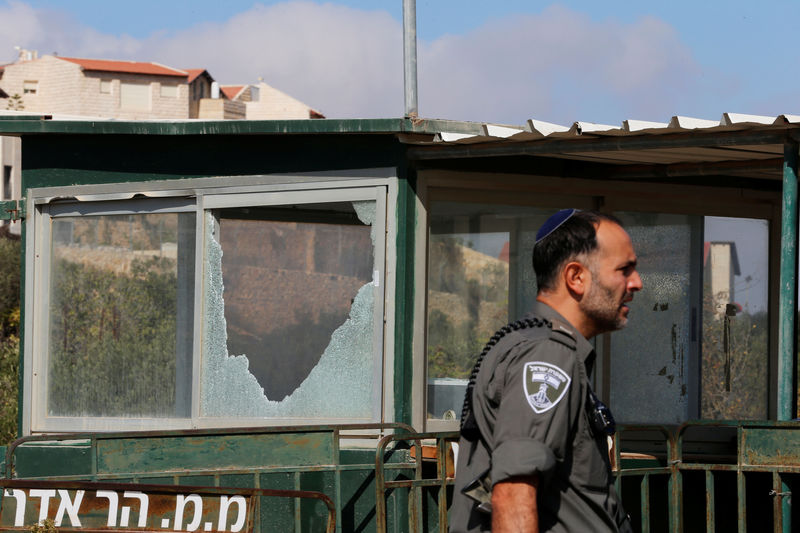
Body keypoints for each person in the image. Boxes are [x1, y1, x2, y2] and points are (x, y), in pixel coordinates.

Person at [449, 209, 642, 533]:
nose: (636, 282)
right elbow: (513, 494)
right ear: (576, 277)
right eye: (625, 269)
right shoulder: (549, 354)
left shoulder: (531, 341)